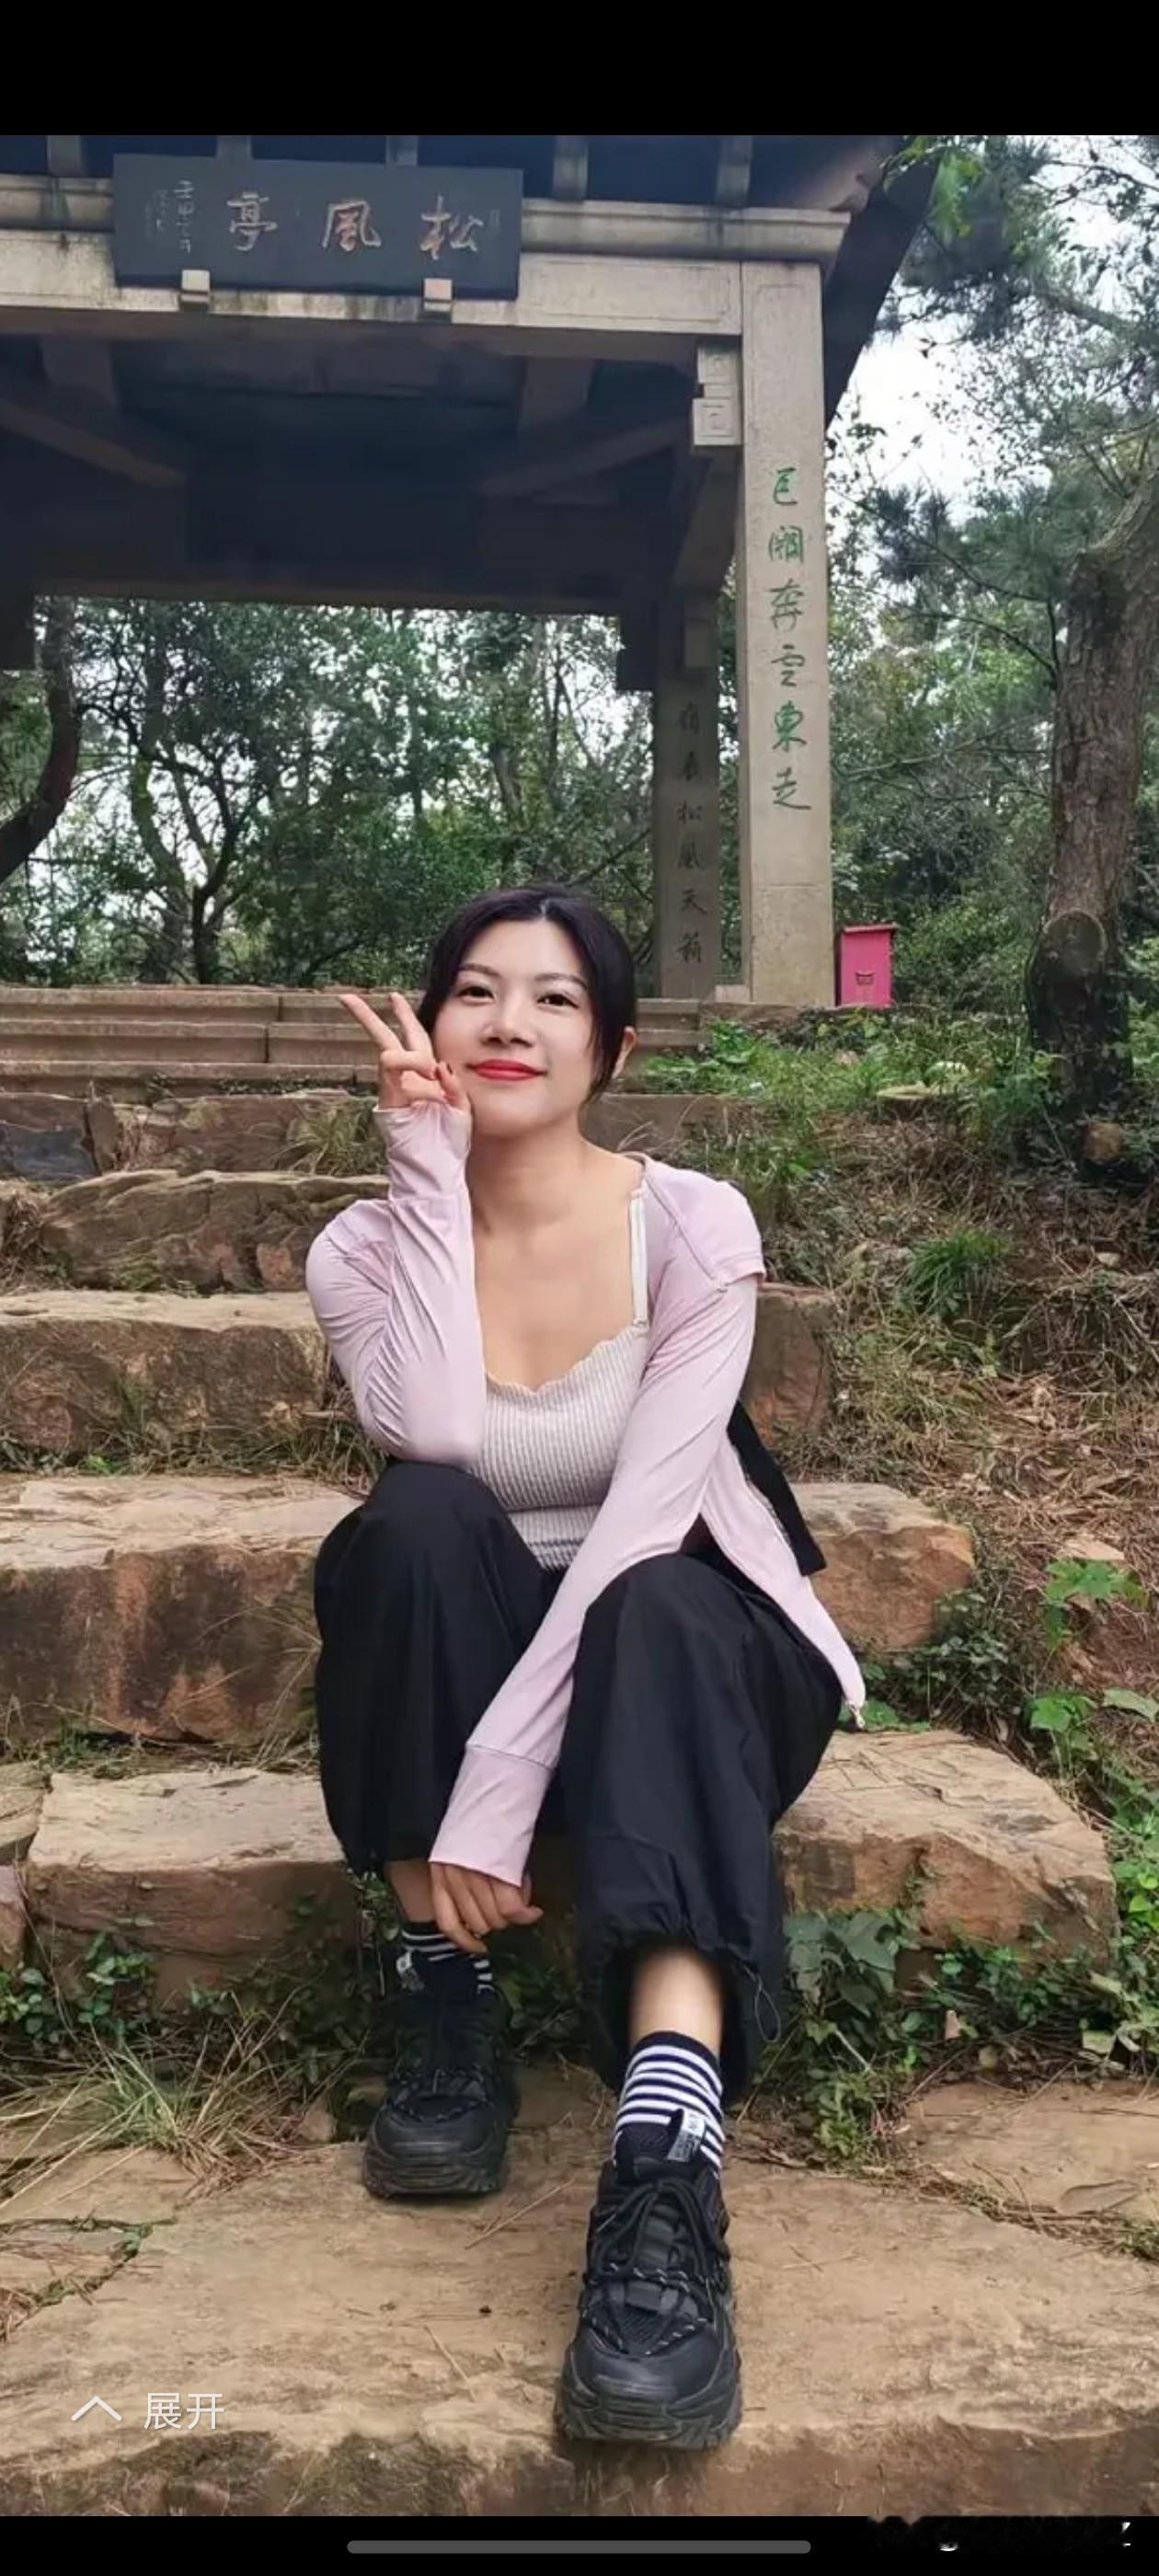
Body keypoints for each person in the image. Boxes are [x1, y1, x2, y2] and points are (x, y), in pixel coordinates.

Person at [305, 884, 865, 2452]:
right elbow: (433, 1432)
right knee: (412, 1526)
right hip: (479, 1634)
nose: (510, 1025)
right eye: (477, 992)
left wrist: (499, 1781)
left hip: (687, 1651)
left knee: (658, 1606)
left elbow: (644, 1522)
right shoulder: (360, 1247)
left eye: (555, 999)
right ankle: (445, 1990)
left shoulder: (692, 1223)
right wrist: (424, 1167)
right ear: (432, 1025)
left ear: (611, 1049)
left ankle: (665, 2158)